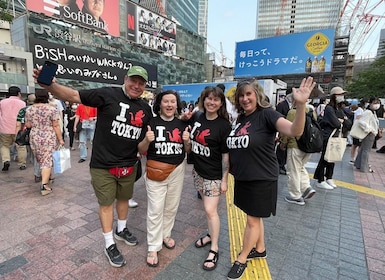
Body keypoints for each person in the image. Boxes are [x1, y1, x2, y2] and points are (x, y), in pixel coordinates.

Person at [32, 65, 153, 267]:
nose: (136, 86)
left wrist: (147, 142)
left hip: (129, 164)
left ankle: (121, 229)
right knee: (106, 204)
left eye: (141, 83)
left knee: (123, 199)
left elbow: (141, 146)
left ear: (145, 86)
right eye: (133, 81)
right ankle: (109, 244)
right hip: (103, 165)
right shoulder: (108, 94)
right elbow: (73, 95)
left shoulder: (145, 109)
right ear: (125, 79)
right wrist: (50, 85)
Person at [226, 77, 315, 280]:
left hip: (261, 178)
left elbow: (295, 130)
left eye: (249, 94)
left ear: (257, 95)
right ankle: (260, 248)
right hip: (243, 177)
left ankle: (242, 258)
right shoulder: (240, 120)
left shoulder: (267, 115)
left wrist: (301, 106)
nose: (245, 98)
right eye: (241, 95)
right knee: (254, 217)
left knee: (252, 220)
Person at [138, 90, 191, 267]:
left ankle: (165, 235)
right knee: (155, 209)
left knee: (171, 207)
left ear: (177, 105)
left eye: (172, 102)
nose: (169, 105)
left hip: (177, 169)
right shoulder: (151, 122)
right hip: (156, 171)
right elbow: (140, 149)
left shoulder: (182, 124)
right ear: (159, 103)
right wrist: (147, 140)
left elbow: (188, 151)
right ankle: (153, 246)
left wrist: (187, 141)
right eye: (165, 101)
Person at [190, 86, 231, 271]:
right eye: (208, 98)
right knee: (208, 211)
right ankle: (209, 234)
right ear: (203, 99)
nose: (211, 102)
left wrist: (224, 179)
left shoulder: (224, 125)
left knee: (210, 210)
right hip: (198, 171)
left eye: (216, 99)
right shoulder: (198, 116)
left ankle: (214, 248)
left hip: (214, 175)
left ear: (221, 103)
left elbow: (226, 155)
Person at [25, 91, 65, 195]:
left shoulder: (29, 109)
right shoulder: (51, 109)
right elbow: (56, 125)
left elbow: (28, 125)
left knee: (41, 158)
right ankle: (44, 185)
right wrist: (60, 139)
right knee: (47, 160)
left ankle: (49, 176)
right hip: (48, 136)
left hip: (34, 136)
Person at [280, 101, 317, 205]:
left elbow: (288, 130)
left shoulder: (292, 112)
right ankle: (306, 188)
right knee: (301, 168)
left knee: (293, 171)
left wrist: (283, 143)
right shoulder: (311, 111)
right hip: (308, 146)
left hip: (295, 145)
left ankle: (295, 196)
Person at [314, 86, 349, 190]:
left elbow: (348, 123)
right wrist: (341, 121)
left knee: (332, 158)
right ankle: (320, 179)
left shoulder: (338, 108)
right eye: (340, 95)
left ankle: (329, 177)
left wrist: (342, 121)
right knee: (325, 158)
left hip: (335, 136)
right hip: (328, 136)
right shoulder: (329, 108)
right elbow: (337, 123)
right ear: (334, 96)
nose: (342, 97)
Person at [0, 86, 26, 172]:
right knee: (20, 146)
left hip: (4, 128)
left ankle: (6, 160)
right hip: (18, 128)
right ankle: (22, 164)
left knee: (5, 146)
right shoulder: (22, 103)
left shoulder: (2, 102)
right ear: (19, 93)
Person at [354, 97, 380, 173]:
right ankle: (364, 167)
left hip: (369, 133)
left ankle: (359, 164)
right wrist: (370, 129)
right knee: (366, 150)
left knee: (363, 149)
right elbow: (361, 122)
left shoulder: (372, 112)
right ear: (370, 103)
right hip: (369, 134)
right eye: (375, 103)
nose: (377, 105)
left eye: (378, 103)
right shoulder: (368, 112)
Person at [15, 94, 37, 172]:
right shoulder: (39, 109)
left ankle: (22, 163)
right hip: (37, 132)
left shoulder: (23, 110)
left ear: (27, 101)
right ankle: (37, 168)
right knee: (36, 150)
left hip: (25, 131)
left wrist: (17, 133)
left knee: (22, 147)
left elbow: (18, 123)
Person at [275, 92, 293, 175]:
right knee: (281, 148)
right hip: (282, 129)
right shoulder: (282, 105)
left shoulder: (291, 105)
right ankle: (279, 165)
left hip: (287, 130)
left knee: (284, 149)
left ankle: (282, 165)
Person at [350, 99, 366, 164]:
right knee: (356, 145)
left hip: (356, 129)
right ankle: (354, 158)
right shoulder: (360, 111)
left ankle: (354, 158)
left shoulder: (358, 110)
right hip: (358, 130)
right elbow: (359, 119)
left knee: (355, 145)